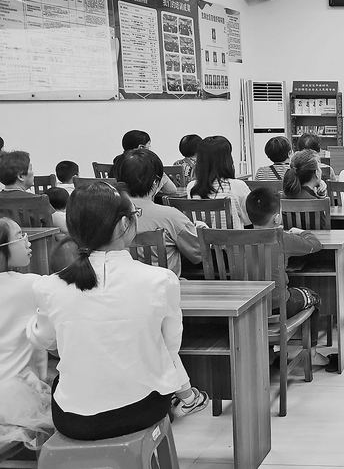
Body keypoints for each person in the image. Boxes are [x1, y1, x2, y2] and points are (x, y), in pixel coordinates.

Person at [27, 183, 208, 441]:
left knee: (63, 379)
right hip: (143, 409)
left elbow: (45, 340)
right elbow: (170, 346)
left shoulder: (49, 285)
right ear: (124, 224)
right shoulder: (160, 280)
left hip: (74, 419)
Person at [246, 188, 344, 335]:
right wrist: (302, 232)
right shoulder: (282, 238)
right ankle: (312, 347)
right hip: (280, 304)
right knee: (314, 297)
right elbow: (315, 244)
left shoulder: (237, 241)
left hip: (249, 304)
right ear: (277, 218)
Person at [0, 217, 54, 450]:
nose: (27, 241)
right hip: (16, 398)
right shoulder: (33, 285)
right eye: (19, 236)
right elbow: (45, 341)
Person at [116, 149, 204, 277]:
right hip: (164, 285)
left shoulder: (107, 215)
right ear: (156, 182)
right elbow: (199, 253)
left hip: (121, 285)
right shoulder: (171, 217)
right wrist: (201, 228)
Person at [186, 135, 252, 229]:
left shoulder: (192, 187)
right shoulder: (238, 186)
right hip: (232, 238)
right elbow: (249, 220)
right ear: (227, 159)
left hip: (201, 238)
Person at [108, 130, 177, 195]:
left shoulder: (117, 164)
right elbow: (172, 190)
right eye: (148, 146)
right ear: (141, 147)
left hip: (118, 201)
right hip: (142, 202)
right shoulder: (146, 166)